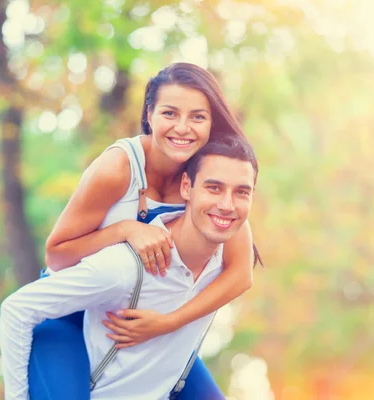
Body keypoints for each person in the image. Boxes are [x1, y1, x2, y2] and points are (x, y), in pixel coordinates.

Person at [27, 63, 259, 399]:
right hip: (71, 318)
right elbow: (57, 255)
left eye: (197, 117)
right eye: (169, 113)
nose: (183, 128)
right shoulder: (118, 168)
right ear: (149, 114)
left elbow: (240, 274)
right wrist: (125, 230)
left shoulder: (213, 179)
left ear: (212, 123)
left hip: (146, 324)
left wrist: (169, 323)